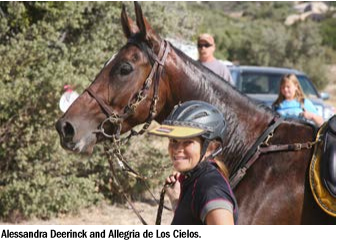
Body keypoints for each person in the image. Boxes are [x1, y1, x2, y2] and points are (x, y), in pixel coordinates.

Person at [149, 100, 238, 225]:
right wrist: (176, 200)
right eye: (173, 140)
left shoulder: (212, 190)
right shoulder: (196, 179)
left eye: (188, 142)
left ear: (210, 148)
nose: (177, 149)